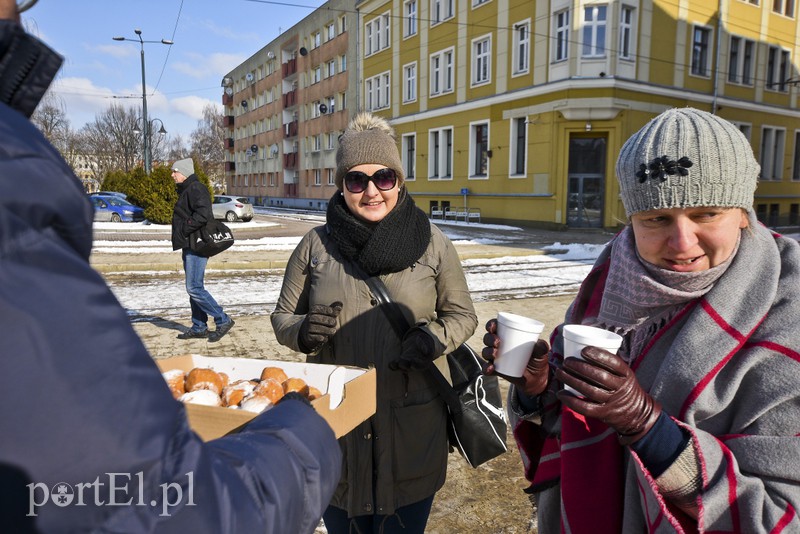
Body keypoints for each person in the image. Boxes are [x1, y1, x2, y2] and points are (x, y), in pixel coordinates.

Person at [0, 2, 341, 531]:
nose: (20, 16)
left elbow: (179, 504)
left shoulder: (198, 190)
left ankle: (218, 320)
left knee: (197, 289)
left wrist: (297, 428)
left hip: (198, 250)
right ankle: (205, 323)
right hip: (188, 249)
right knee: (189, 293)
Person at [483, 108, 800, 532]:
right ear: (631, 221)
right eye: (657, 218)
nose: (682, 242)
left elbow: (779, 515)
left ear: (743, 212)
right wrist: (540, 392)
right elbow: (565, 429)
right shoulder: (611, 284)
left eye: (706, 214)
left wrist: (648, 427)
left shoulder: (786, 317)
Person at [271, 112, 478, 533]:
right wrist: (303, 332)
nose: (370, 191)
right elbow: (281, 318)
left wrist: (433, 340)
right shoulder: (315, 245)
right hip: (337, 428)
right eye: (355, 180)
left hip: (412, 430)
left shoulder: (433, 242)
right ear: (341, 184)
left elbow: (463, 316)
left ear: (398, 180)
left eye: (383, 177)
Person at [171, 158, 235, 341]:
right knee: (194, 287)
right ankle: (199, 326)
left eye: (175, 171)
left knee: (194, 287)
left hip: (197, 244)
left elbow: (203, 214)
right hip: (189, 244)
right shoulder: (188, 189)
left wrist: (184, 228)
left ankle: (222, 319)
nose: (172, 175)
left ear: (184, 172)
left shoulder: (195, 188)